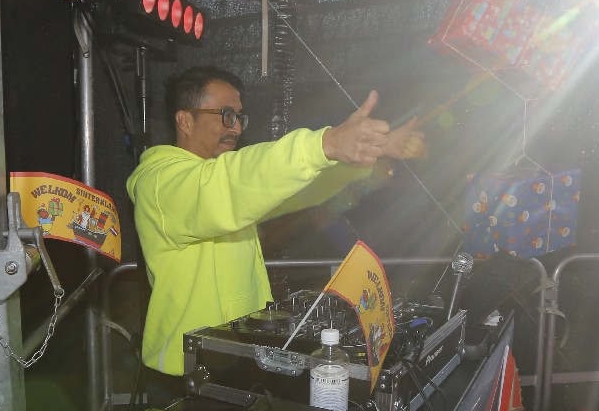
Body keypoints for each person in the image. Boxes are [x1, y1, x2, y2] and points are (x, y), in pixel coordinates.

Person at [126, 66, 421, 381]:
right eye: (226, 115)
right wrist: (324, 144)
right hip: (184, 368)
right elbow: (229, 182)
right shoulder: (159, 183)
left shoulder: (227, 188)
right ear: (185, 120)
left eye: (239, 117)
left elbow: (294, 191)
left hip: (233, 357)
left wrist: (365, 153)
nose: (236, 127)